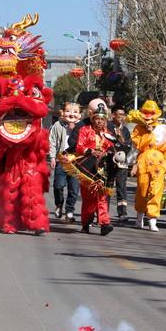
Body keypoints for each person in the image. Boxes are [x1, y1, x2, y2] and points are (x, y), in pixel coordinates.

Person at [127, 100, 166, 232]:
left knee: (156, 191)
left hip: (158, 165)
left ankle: (153, 219)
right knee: (142, 190)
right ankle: (139, 215)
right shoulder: (138, 128)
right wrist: (148, 133)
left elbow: (165, 149)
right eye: (146, 113)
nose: (148, 115)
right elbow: (139, 145)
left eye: (151, 113)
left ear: (157, 114)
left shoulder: (164, 129)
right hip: (143, 162)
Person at [71, 101, 114, 236]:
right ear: (92, 118)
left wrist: (106, 153)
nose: (99, 122)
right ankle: (86, 222)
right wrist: (91, 152)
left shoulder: (108, 133)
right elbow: (79, 147)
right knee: (88, 197)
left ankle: (104, 223)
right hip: (86, 167)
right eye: (97, 119)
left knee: (101, 196)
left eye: (102, 119)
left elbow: (112, 148)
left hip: (102, 168)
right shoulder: (84, 130)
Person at [48, 102, 81, 223]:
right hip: (61, 160)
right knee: (58, 185)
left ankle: (70, 211)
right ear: (63, 113)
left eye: (75, 112)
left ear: (80, 115)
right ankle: (59, 204)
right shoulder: (58, 125)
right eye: (68, 111)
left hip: (76, 162)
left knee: (73, 189)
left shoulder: (82, 127)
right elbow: (52, 141)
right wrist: (52, 157)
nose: (71, 114)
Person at [106, 104, 132, 222]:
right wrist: (116, 147)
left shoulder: (125, 129)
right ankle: (104, 211)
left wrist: (121, 147)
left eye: (123, 115)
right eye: (119, 115)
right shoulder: (107, 127)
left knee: (122, 188)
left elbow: (128, 145)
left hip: (122, 163)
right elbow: (106, 142)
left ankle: (122, 212)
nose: (121, 117)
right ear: (113, 115)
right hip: (109, 162)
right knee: (108, 187)